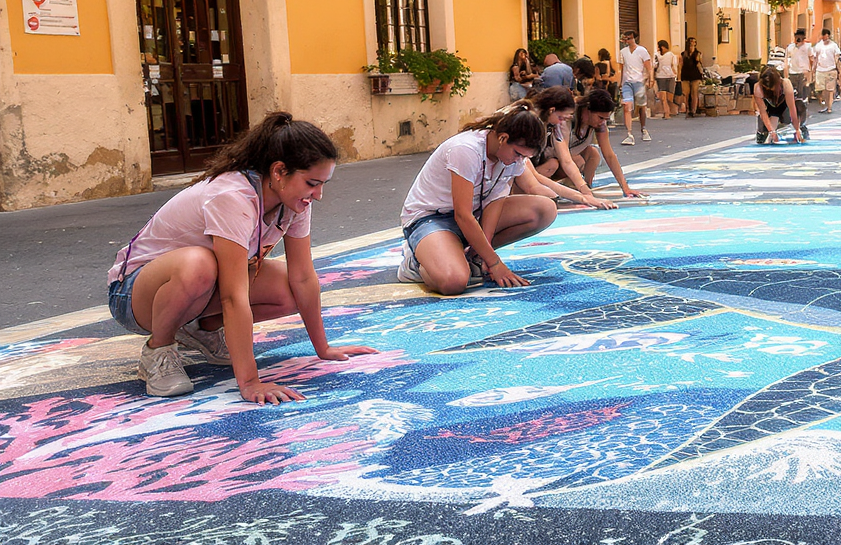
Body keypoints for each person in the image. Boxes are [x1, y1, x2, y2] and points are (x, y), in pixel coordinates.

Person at [107, 113, 377, 401]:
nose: (319, 194)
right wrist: (249, 383)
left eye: (323, 184)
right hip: (133, 296)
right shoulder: (233, 196)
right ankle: (158, 350)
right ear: (278, 172)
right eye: (312, 183)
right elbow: (233, 296)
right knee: (199, 264)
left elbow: (303, 277)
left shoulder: (293, 201)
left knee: (289, 289)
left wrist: (323, 348)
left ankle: (202, 329)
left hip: (196, 291)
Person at [398, 105, 563, 296]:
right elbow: (462, 214)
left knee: (545, 209)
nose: (520, 162)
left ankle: (466, 257)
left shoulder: (511, 158)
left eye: (526, 157)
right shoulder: (466, 150)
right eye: (518, 154)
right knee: (454, 282)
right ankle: (417, 261)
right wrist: (494, 263)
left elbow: (495, 202)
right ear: (503, 138)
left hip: (473, 214)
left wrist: (482, 250)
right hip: (431, 218)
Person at [546, 88, 648, 199]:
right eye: (600, 118)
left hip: (566, 158)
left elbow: (609, 155)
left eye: (606, 119)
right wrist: (583, 191)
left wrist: (625, 187)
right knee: (575, 161)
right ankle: (567, 187)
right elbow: (565, 160)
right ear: (588, 110)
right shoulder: (567, 119)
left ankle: (586, 185)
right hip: (550, 160)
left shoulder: (600, 125)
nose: (602, 122)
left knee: (593, 153)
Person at [616, 30, 655, 145]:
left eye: (629, 38)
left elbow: (649, 66)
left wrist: (651, 78)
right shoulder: (623, 52)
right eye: (625, 38)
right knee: (627, 106)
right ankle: (629, 134)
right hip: (627, 82)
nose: (627, 40)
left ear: (635, 39)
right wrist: (620, 82)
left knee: (641, 107)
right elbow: (622, 68)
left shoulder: (642, 51)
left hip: (639, 82)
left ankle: (643, 128)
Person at [754, 66, 807, 144]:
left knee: (799, 105)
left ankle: (802, 127)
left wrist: (797, 129)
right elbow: (763, 112)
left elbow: (792, 109)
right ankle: (763, 132)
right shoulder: (758, 87)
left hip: (784, 106)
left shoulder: (785, 83)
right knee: (764, 134)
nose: (771, 89)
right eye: (767, 88)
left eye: (773, 87)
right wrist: (771, 131)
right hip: (770, 108)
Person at [812, 28, 841, 114]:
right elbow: (816, 58)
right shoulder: (818, 46)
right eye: (822, 35)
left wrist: (839, 71)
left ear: (828, 35)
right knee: (820, 89)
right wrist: (813, 69)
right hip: (820, 70)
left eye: (824, 35)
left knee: (830, 90)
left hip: (831, 70)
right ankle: (824, 104)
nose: (823, 37)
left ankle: (829, 107)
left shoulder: (834, 45)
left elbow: (837, 58)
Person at [787, 29, 814, 104]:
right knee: (793, 91)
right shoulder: (790, 47)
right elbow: (787, 59)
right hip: (792, 71)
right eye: (796, 37)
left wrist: (810, 72)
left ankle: (802, 105)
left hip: (803, 71)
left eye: (800, 37)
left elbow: (811, 59)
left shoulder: (808, 47)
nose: (798, 39)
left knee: (802, 91)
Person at [679, 37, 704, 117]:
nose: (693, 43)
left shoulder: (698, 53)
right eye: (692, 42)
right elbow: (680, 65)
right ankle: (687, 109)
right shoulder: (683, 54)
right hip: (685, 74)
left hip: (695, 74)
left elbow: (699, 63)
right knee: (686, 93)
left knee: (694, 93)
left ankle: (693, 109)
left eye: (694, 42)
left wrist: (702, 74)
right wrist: (679, 76)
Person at [655, 40, 678, 119]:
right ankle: (666, 112)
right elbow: (674, 66)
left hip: (665, 76)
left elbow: (655, 66)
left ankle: (669, 111)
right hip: (665, 76)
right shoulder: (671, 55)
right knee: (664, 96)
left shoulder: (669, 55)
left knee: (668, 97)